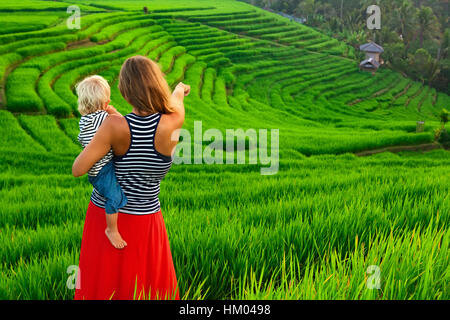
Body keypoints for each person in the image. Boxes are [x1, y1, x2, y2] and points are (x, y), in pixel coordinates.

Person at [72, 56, 190, 300]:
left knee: (104, 286)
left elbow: (79, 168)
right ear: (158, 85)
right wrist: (178, 90)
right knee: (147, 289)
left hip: (106, 219)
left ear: (124, 93)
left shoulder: (114, 126)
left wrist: (94, 141)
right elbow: (176, 102)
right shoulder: (174, 121)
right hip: (147, 221)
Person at [75, 75, 128, 250]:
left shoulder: (85, 121)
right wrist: (112, 111)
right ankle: (111, 229)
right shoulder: (103, 118)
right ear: (105, 102)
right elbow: (123, 123)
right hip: (102, 170)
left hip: (97, 170)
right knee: (114, 196)